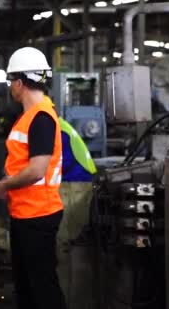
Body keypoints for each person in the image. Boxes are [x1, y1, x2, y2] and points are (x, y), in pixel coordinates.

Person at [0, 47, 66, 309]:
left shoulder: (41, 117)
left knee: (42, 288)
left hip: (38, 215)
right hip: (27, 213)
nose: (11, 87)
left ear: (20, 83)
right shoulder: (31, 116)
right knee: (27, 287)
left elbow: (36, 170)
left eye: (12, 81)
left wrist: (3, 185)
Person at [45, 96, 97, 306]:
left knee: (65, 244)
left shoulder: (57, 129)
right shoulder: (62, 126)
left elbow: (57, 163)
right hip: (77, 185)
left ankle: (67, 300)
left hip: (75, 187)